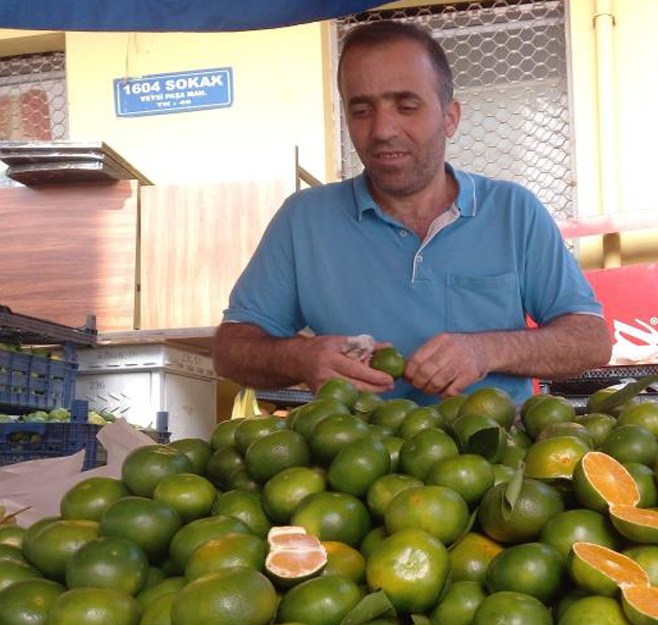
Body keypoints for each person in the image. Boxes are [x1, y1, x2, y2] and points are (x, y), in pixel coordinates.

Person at [213, 20, 611, 405]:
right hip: (355, 460)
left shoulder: (513, 210)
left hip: (494, 459)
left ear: (450, 116)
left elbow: (590, 340)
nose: (383, 129)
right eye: (362, 110)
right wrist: (300, 358)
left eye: (406, 105)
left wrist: (488, 349)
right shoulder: (303, 220)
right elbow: (231, 349)